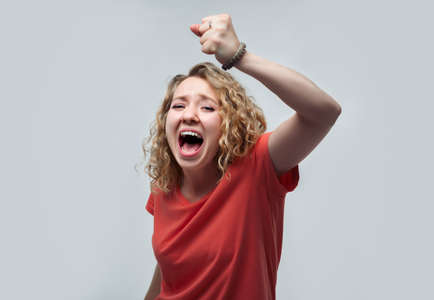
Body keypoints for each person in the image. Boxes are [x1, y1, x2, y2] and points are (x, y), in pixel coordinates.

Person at [143, 13, 341, 300]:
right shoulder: (163, 186)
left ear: (228, 125)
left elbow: (323, 113)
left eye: (207, 108)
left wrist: (240, 57)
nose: (189, 115)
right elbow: (168, 269)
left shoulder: (257, 166)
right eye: (178, 105)